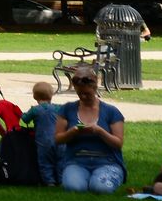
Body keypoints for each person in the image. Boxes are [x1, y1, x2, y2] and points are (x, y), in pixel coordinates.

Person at [54, 64, 127, 194]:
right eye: (79, 93)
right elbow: (58, 139)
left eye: (87, 93)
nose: (83, 96)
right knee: (74, 188)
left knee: (101, 188)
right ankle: (81, 178)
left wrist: (99, 131)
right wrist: (73, 131)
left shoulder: (111, 112)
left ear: (94, 87)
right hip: (76, 161)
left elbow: (118, 143)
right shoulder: (67, 109)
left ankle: (100, 179)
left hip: (107, 161)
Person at [20, 80, 61, 187]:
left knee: (45, 162)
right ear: (51, 95)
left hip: (43, 141)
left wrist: (22, 114)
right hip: (60, 139)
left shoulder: (35, 110)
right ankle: (61, 180)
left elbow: (25, 119)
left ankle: (49, 181)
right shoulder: (58, 108)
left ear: (35, 96)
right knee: (60, 160)